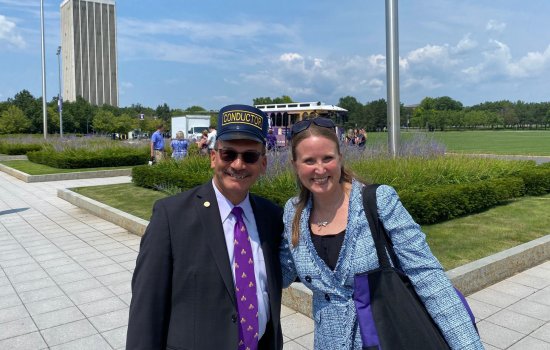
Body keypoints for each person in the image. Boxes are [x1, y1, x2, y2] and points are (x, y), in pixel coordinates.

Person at [279, 117, 483, 349]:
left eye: (328, 158)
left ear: (340, 158)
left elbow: (426, 274)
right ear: (295, 164)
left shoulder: (377, 201)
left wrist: (467, 345)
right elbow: (283, 273)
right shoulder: (293, 213)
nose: (320, 169)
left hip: (384, 336)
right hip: (328, 342)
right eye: (309, 161)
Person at [127, 104, 284, 350]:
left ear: (263, 164)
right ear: (213, 157)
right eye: (228, 154)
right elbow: (146, 309)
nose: (238, 164)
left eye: (250, 156)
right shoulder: (171, 217)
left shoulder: (272, 217)